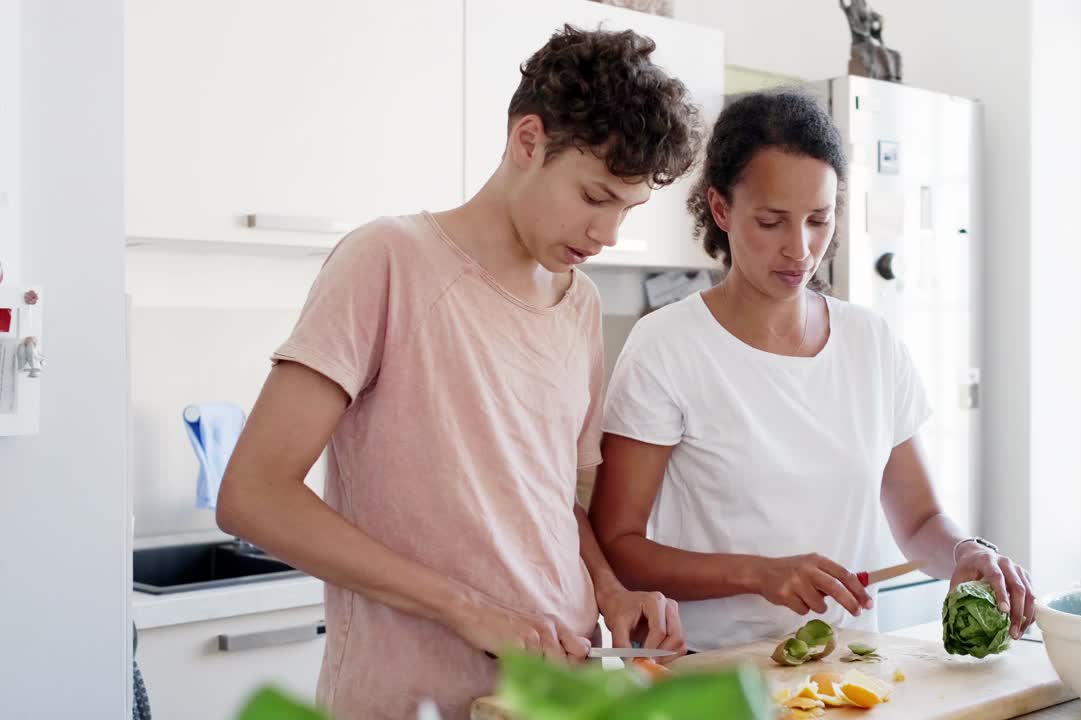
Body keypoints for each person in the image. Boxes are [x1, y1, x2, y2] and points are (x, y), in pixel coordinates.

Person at [215, 25, 701, 720]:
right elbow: (253, 494)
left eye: (627, 209)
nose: (608, 235)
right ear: (527, 141)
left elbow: (548, 498)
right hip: (409, 700)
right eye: (595, 198)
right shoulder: (387, 261)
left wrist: (610, 591)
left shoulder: (581, 304)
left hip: (554, 698)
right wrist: (466, 610)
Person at [589, 89, 1034, 653]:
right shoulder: (668, 347)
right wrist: (760, 573)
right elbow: (618, 546)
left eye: (818, 220)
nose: (800, 249)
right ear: (721, 209)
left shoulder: (871, 343)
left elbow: (920, 522)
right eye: (772, 222)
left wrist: (969, 550)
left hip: (848, 670)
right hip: (712, 672)